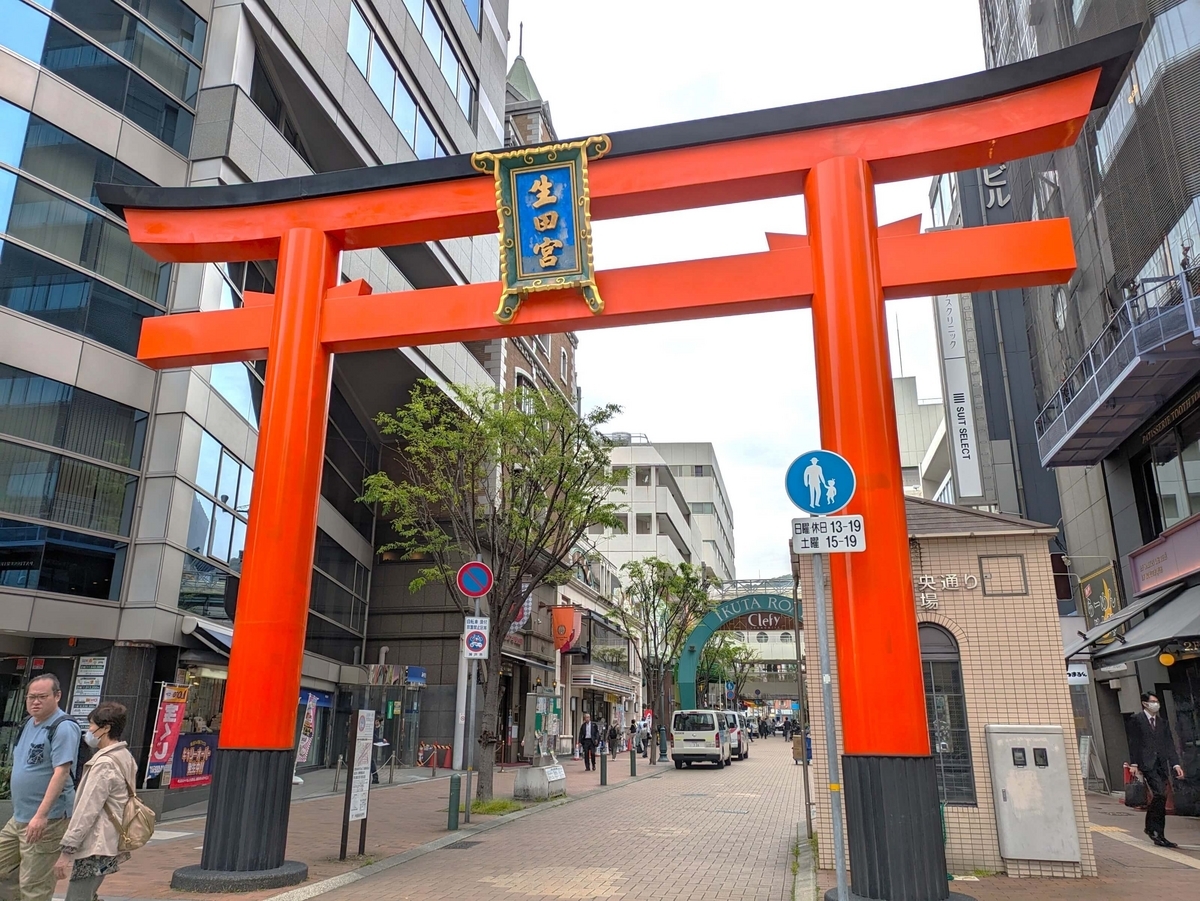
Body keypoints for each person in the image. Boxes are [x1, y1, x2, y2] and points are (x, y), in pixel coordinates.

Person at [0, 674, 81, 901]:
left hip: (46, 820)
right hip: (20, 817)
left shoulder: (62, 727)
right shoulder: (28, 723)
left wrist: (41, 815)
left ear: (57, 696)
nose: (35, 702)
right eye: (31, 697)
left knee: (34, 887)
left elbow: (61, 772)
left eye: (42, 697)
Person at [53, 702, 138, 901]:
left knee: (78, 897)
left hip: (96, 843)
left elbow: (87, 809)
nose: (89, 730)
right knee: (89, 894)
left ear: (106, 728)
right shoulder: (125, 756)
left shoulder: (104, 764)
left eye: (92, 725)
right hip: (111, 839)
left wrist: (67, 850)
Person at [1127, 692, 1185, 848]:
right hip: (1146, 763)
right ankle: (1152, 828)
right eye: (1153, 701)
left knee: (1161, 797)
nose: (1156, 704)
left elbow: (1169, 745)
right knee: (1159, 793)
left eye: (1157, 702)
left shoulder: (1162, 723)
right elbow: (1134, 742)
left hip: (1161, 763)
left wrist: (1175, 764)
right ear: (1145, 704)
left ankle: (1158, 832)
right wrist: (1134, 764)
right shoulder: (1136, 720)